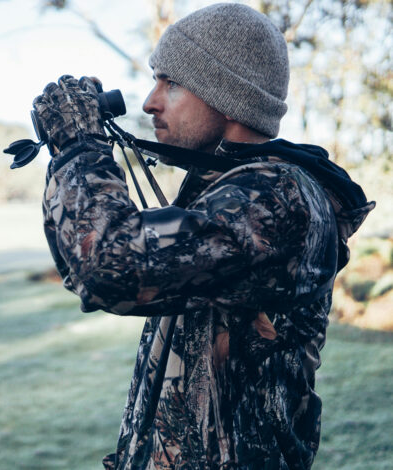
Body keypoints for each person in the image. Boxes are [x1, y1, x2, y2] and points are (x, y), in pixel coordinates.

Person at [31, 3, 374, 469]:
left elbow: (109, 269)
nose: (150, 101)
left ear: (226, 94)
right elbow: (83, 262)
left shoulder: (276, 197)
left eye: (170, 83)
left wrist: (81, 146)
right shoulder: (227, 192)